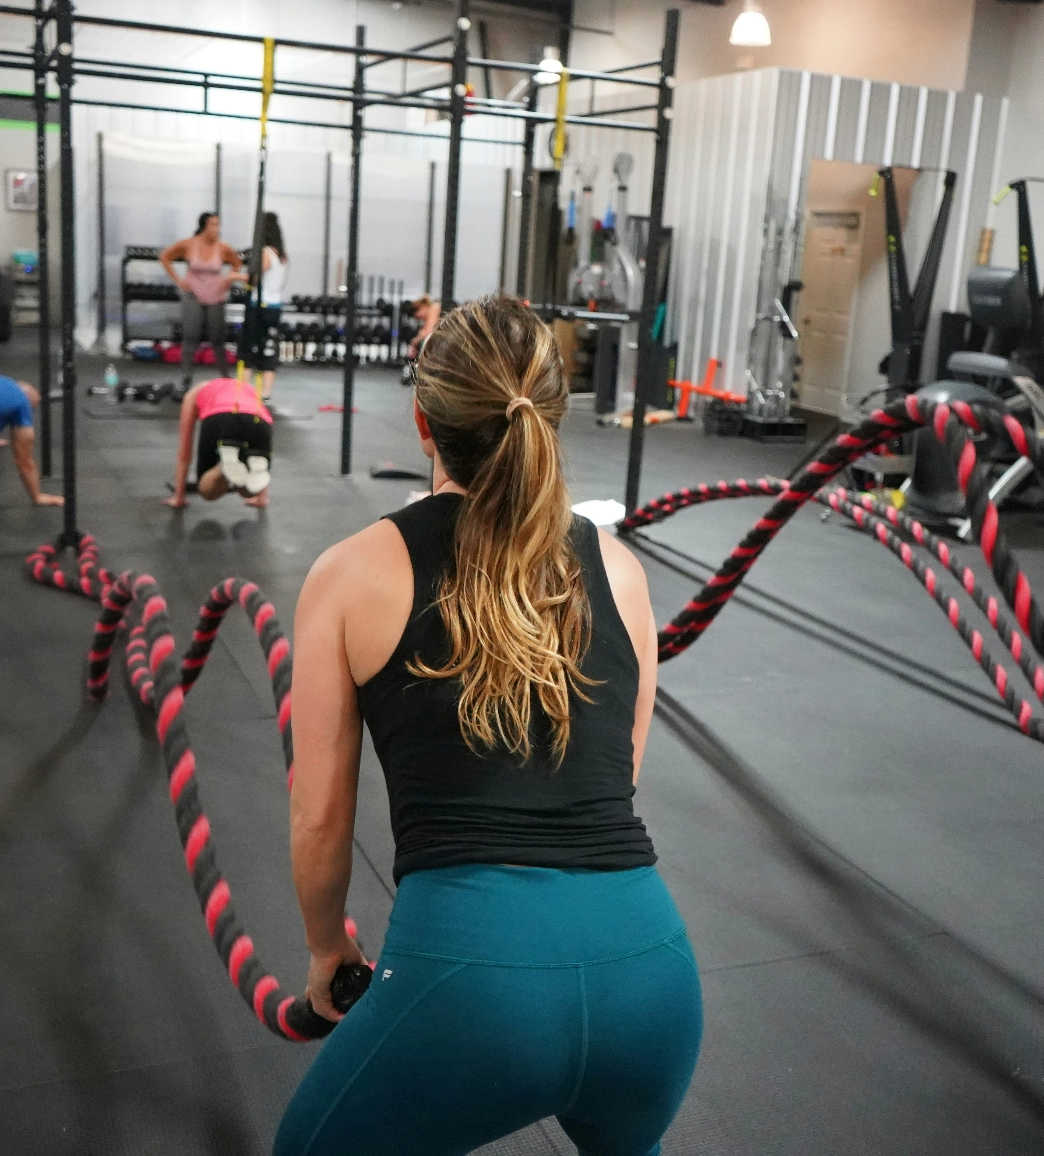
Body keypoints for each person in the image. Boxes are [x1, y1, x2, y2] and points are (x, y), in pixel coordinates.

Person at [275, 296, 701, 1155]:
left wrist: (327, 949)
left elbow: (320, 815)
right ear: (552, 414)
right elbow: (617, 782)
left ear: (424, 421)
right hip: (654, 981)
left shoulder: (349, 574)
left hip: (474, 988)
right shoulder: (620, 570)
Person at [160, 213, 243, 395]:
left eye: (218, 225)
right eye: (213, 225)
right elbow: (165, 257)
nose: (217, 229)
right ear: (204, 226)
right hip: (193, 295)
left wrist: (227, 283)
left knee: (218, 340)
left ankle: (226, 379)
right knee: (190, 338)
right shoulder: (188, 244)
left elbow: (237, 263)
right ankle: (186, 380)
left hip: (216, 296)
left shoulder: (223, 248)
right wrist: (179, 281)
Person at [164, 375, 272, 510]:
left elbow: (184, 453)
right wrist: (261, 498)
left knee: (207, 492)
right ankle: (244, 464)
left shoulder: (194, 393)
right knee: (249, 487)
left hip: (219, 416)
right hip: (259, 419)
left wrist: (178, 497)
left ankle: (223, 467)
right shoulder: (248, 388)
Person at [0, 374, 63, 506]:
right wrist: (37, 496)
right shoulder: (22, 404)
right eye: (32, 409)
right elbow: (24, 461)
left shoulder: (6, 384)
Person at [256, 211, 288, 404]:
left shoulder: (266, 254)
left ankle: (250, 392)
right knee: (268, 349)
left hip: (261, 306)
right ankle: (265, 393)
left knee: (254, 350)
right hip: (274, 306)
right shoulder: (283, 256)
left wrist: (235, 276)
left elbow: (255, 279)